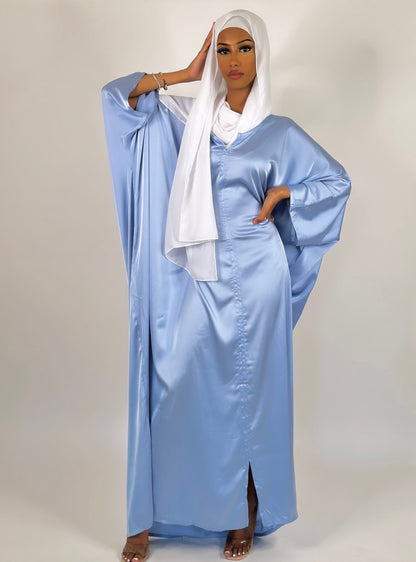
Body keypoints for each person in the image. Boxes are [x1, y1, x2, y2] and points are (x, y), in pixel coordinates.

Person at [101, 8, 351, 562]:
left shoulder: (279, 132)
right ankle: (152, 515)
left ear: (261, 55)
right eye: (223, 50)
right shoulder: (186, 121)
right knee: (174, 384)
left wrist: (286, 192)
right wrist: (183, 75)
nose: (233, 61)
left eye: (244, 48)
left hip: (257, 277)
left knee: (250, 396)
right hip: (196, 275)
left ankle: (245, 510)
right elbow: (118, 98)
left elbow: (336, 181)